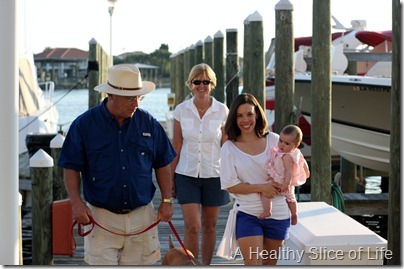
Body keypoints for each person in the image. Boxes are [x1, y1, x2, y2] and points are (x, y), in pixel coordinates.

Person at [57, 64, 176, 265]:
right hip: (101, 217)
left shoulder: (149, 123)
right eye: (130, 98)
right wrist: (76, 204)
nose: (136, 103)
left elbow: (163, 164)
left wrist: (166, 201)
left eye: (139, 97)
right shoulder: (84, 125)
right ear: (111, 95)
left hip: (142, 216)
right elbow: (70, 167)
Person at [219, 93, 290, 265]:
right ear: (234, 119)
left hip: (278, 213)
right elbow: (230, 185)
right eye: (240, 115)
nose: (246, 120)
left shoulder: (274, 140)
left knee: (269, 264)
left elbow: (293, 168)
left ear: (257, 114)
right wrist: (262, 188)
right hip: (248, 213)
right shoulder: (229, 147)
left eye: (249, 114)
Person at [170, 63, 230, 265]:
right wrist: (170, 179)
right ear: (191, 84)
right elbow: (176, 146)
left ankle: (206, 265)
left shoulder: (222, 110)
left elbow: (227, 146)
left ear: (212, 83)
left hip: (215, 174)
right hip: (186, 175)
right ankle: (191, 265)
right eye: (197, 81)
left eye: (206, 81)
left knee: (210, 226)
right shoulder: (181, 110)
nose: (201, 85)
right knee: (192, 226)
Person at [259, 124, 310, 224]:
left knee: (265, 193)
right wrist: (306, 171)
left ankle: (267, 211)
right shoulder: (295, 153)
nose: (282, 145)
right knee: (291, 199)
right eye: (280, 141)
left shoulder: (287, 157)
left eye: (286, 143)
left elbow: (289, 172)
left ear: (296, 145)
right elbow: (303, 162)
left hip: (282, 182)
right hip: (285, 182)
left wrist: (286, 184)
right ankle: (294, 214)